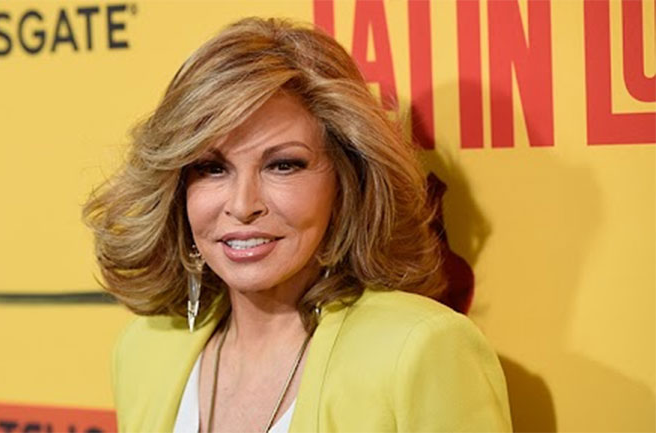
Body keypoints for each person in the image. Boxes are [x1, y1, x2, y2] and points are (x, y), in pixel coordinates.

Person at [84, 17, 512, 433]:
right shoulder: (144, 350)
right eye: (212, 168)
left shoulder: (419, 350)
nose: (243, 205)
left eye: (283, 165)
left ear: (346, 181)